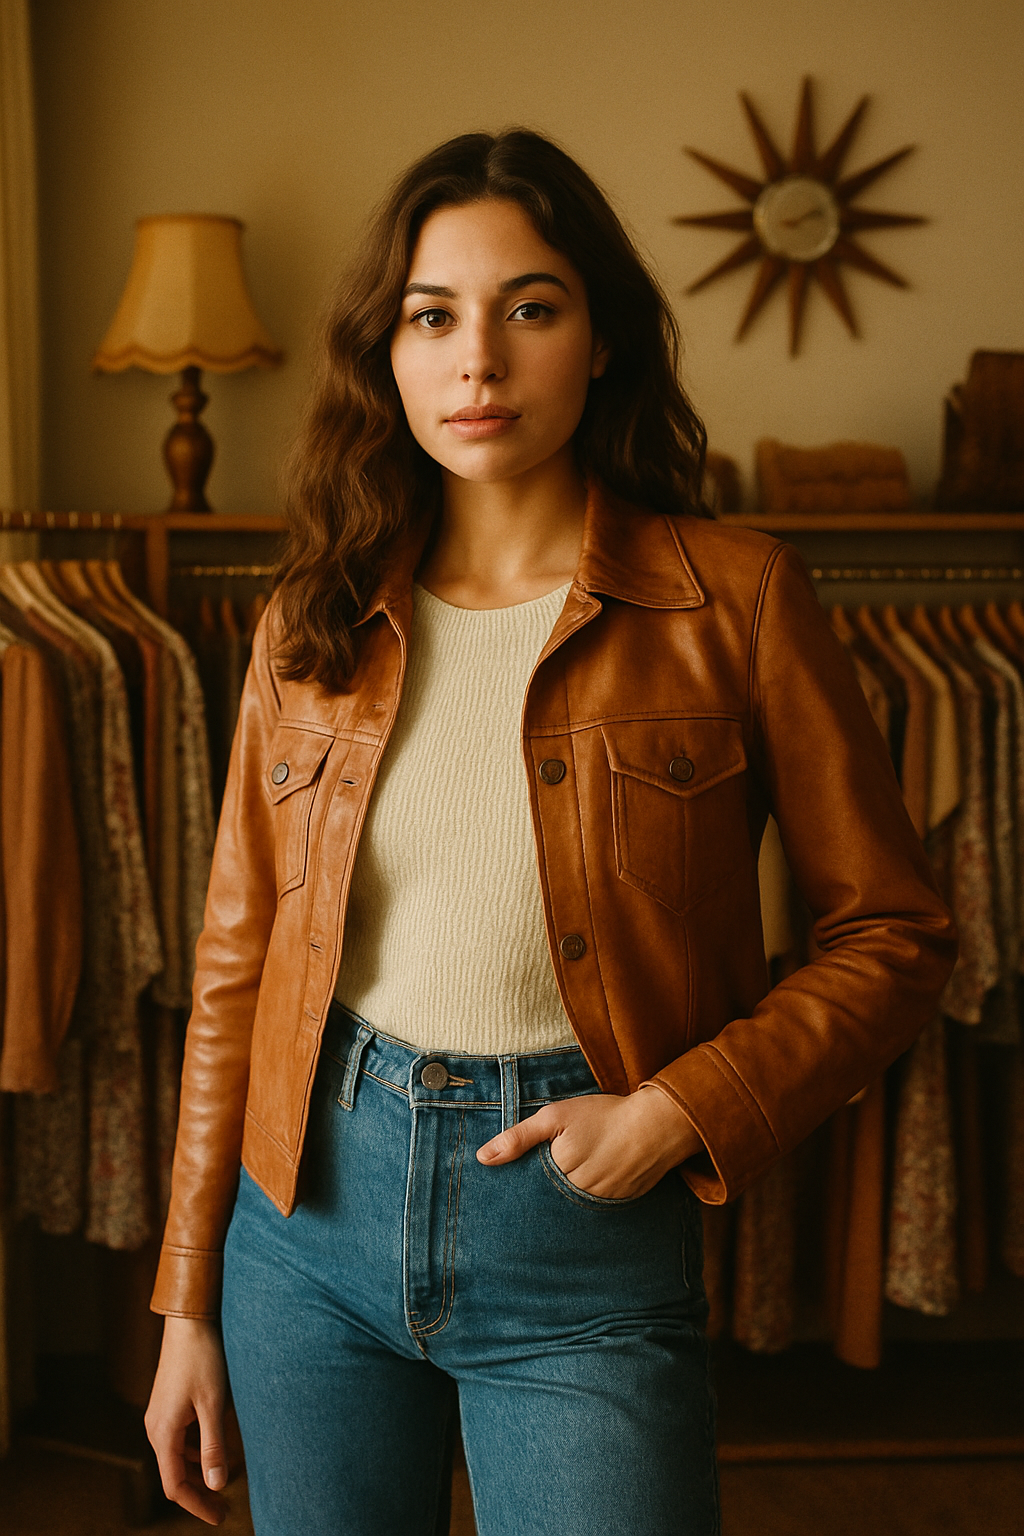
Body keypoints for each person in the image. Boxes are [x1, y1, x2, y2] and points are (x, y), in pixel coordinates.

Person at [144, 128, 956, 1535]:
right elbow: (237, 971)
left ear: (601, 341)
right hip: (307, 1228)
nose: (478, 363)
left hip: (583, 1234)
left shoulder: (738, 601)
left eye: (531, 308)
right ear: (383, 355)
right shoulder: (311, 618)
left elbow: (894, 931)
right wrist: (187, 1301)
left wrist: (679, 1112)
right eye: (432, 316)